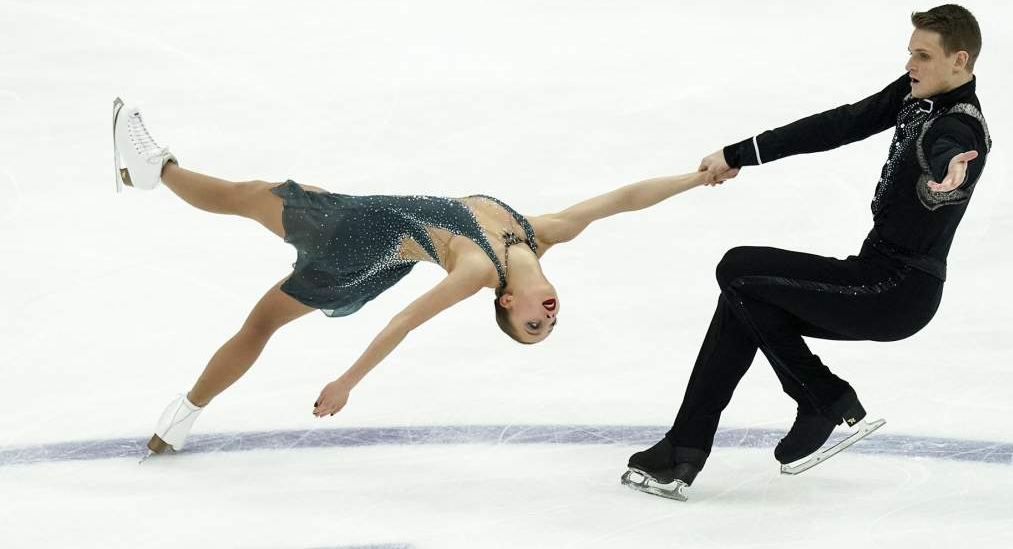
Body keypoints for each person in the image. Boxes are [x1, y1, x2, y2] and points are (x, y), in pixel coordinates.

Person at [110, 98, 726, 457]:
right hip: (366, 224)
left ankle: (154, 167)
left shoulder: (479, 267)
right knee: (262, 303)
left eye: (532, 326)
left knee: (248, 207)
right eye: (548, 323)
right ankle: (180, 418)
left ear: (506, 302)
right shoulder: (541, 232)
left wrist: (348, 380)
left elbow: (405, 321)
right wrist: (698, 178)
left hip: (352, 238)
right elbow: (624, 199)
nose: (548, 317)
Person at [622, 4, 991, 501]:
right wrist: (740, 153)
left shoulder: (959, 127)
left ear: (959, 61)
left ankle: (823, 397)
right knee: (743, 299)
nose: (910, 66)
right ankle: (682, 451)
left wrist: (950, 172)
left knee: (738, 268)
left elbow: (950, 148)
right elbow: (839, 125)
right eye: (909, 53)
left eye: (922, 56)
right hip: (874, 275)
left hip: (896, 289)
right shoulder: (915, 96)